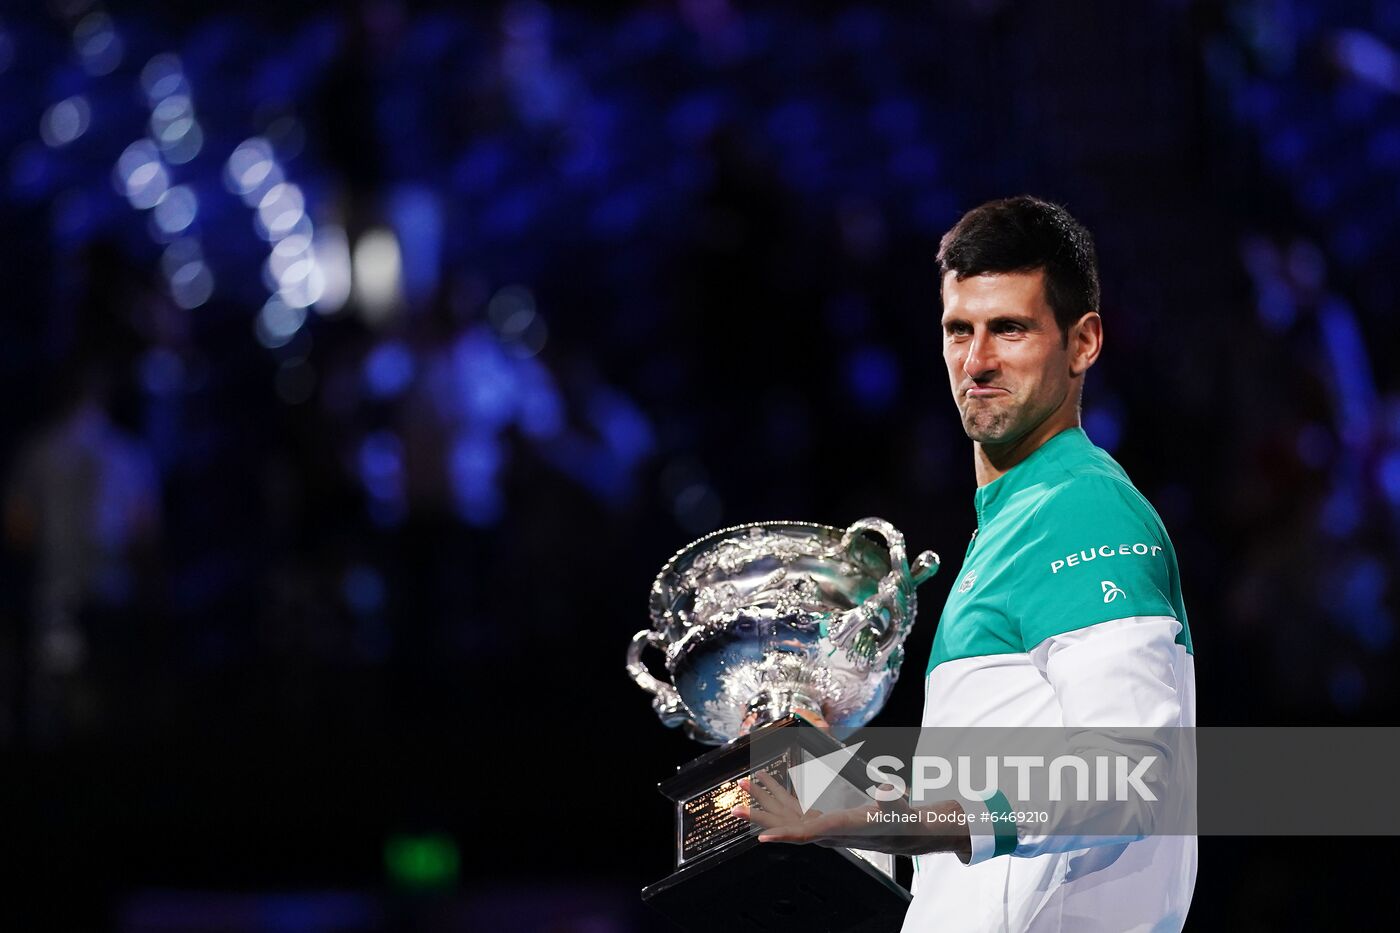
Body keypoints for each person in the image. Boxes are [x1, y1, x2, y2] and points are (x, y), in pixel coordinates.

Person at [734, 196, 1196, 931]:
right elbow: (967, 854)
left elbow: (1129, 779)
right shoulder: (1008, 526)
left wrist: (897, 814)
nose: (977, 361)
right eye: (960, 329)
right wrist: (816, 774)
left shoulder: (1080, 509)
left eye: (1009, 328)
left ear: (1083, 343)